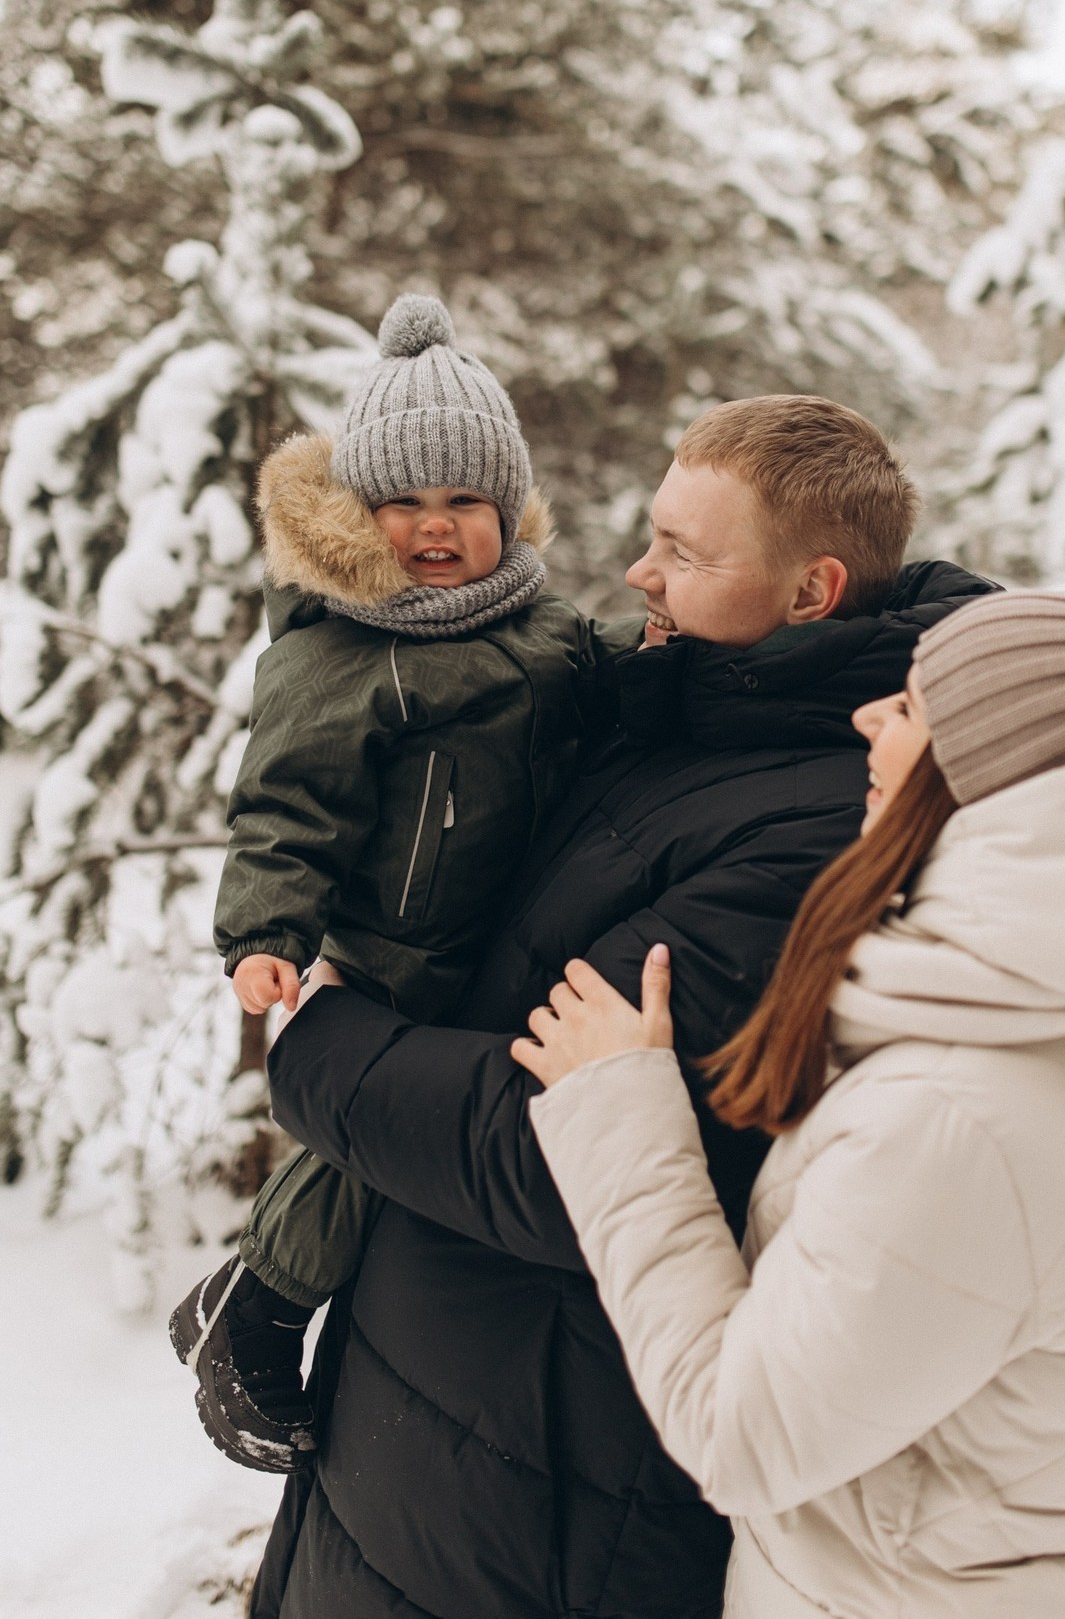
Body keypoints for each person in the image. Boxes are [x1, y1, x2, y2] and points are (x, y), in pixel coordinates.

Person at [252, 395, 996, 1619]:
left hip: (541, 1491)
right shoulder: (669, 712)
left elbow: (566, 1148)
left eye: (686, 554)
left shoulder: (816, 824)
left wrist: (313, 1045)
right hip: (437, 1419)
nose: (638, 571)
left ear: (809, 594)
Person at [516, 592, 1065, 1619]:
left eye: (916, 709)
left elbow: (742, 1434)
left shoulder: (966, 1121)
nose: (869, 720)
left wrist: (619, 1114)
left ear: (1004, 785)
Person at [169, 291, 619, 1471]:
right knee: (370, 1145)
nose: (434, 526)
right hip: (396, 947)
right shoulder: (342, 648)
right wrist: (263, 925)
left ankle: (258, 1288)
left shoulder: (541, 624)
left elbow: (601, 690)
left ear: (506, 507)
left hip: (506, 926)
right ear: (361, 515)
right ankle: (256, 1311)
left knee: (425, 1141)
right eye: (403, 501)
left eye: (463, 499)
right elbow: (286, 804)